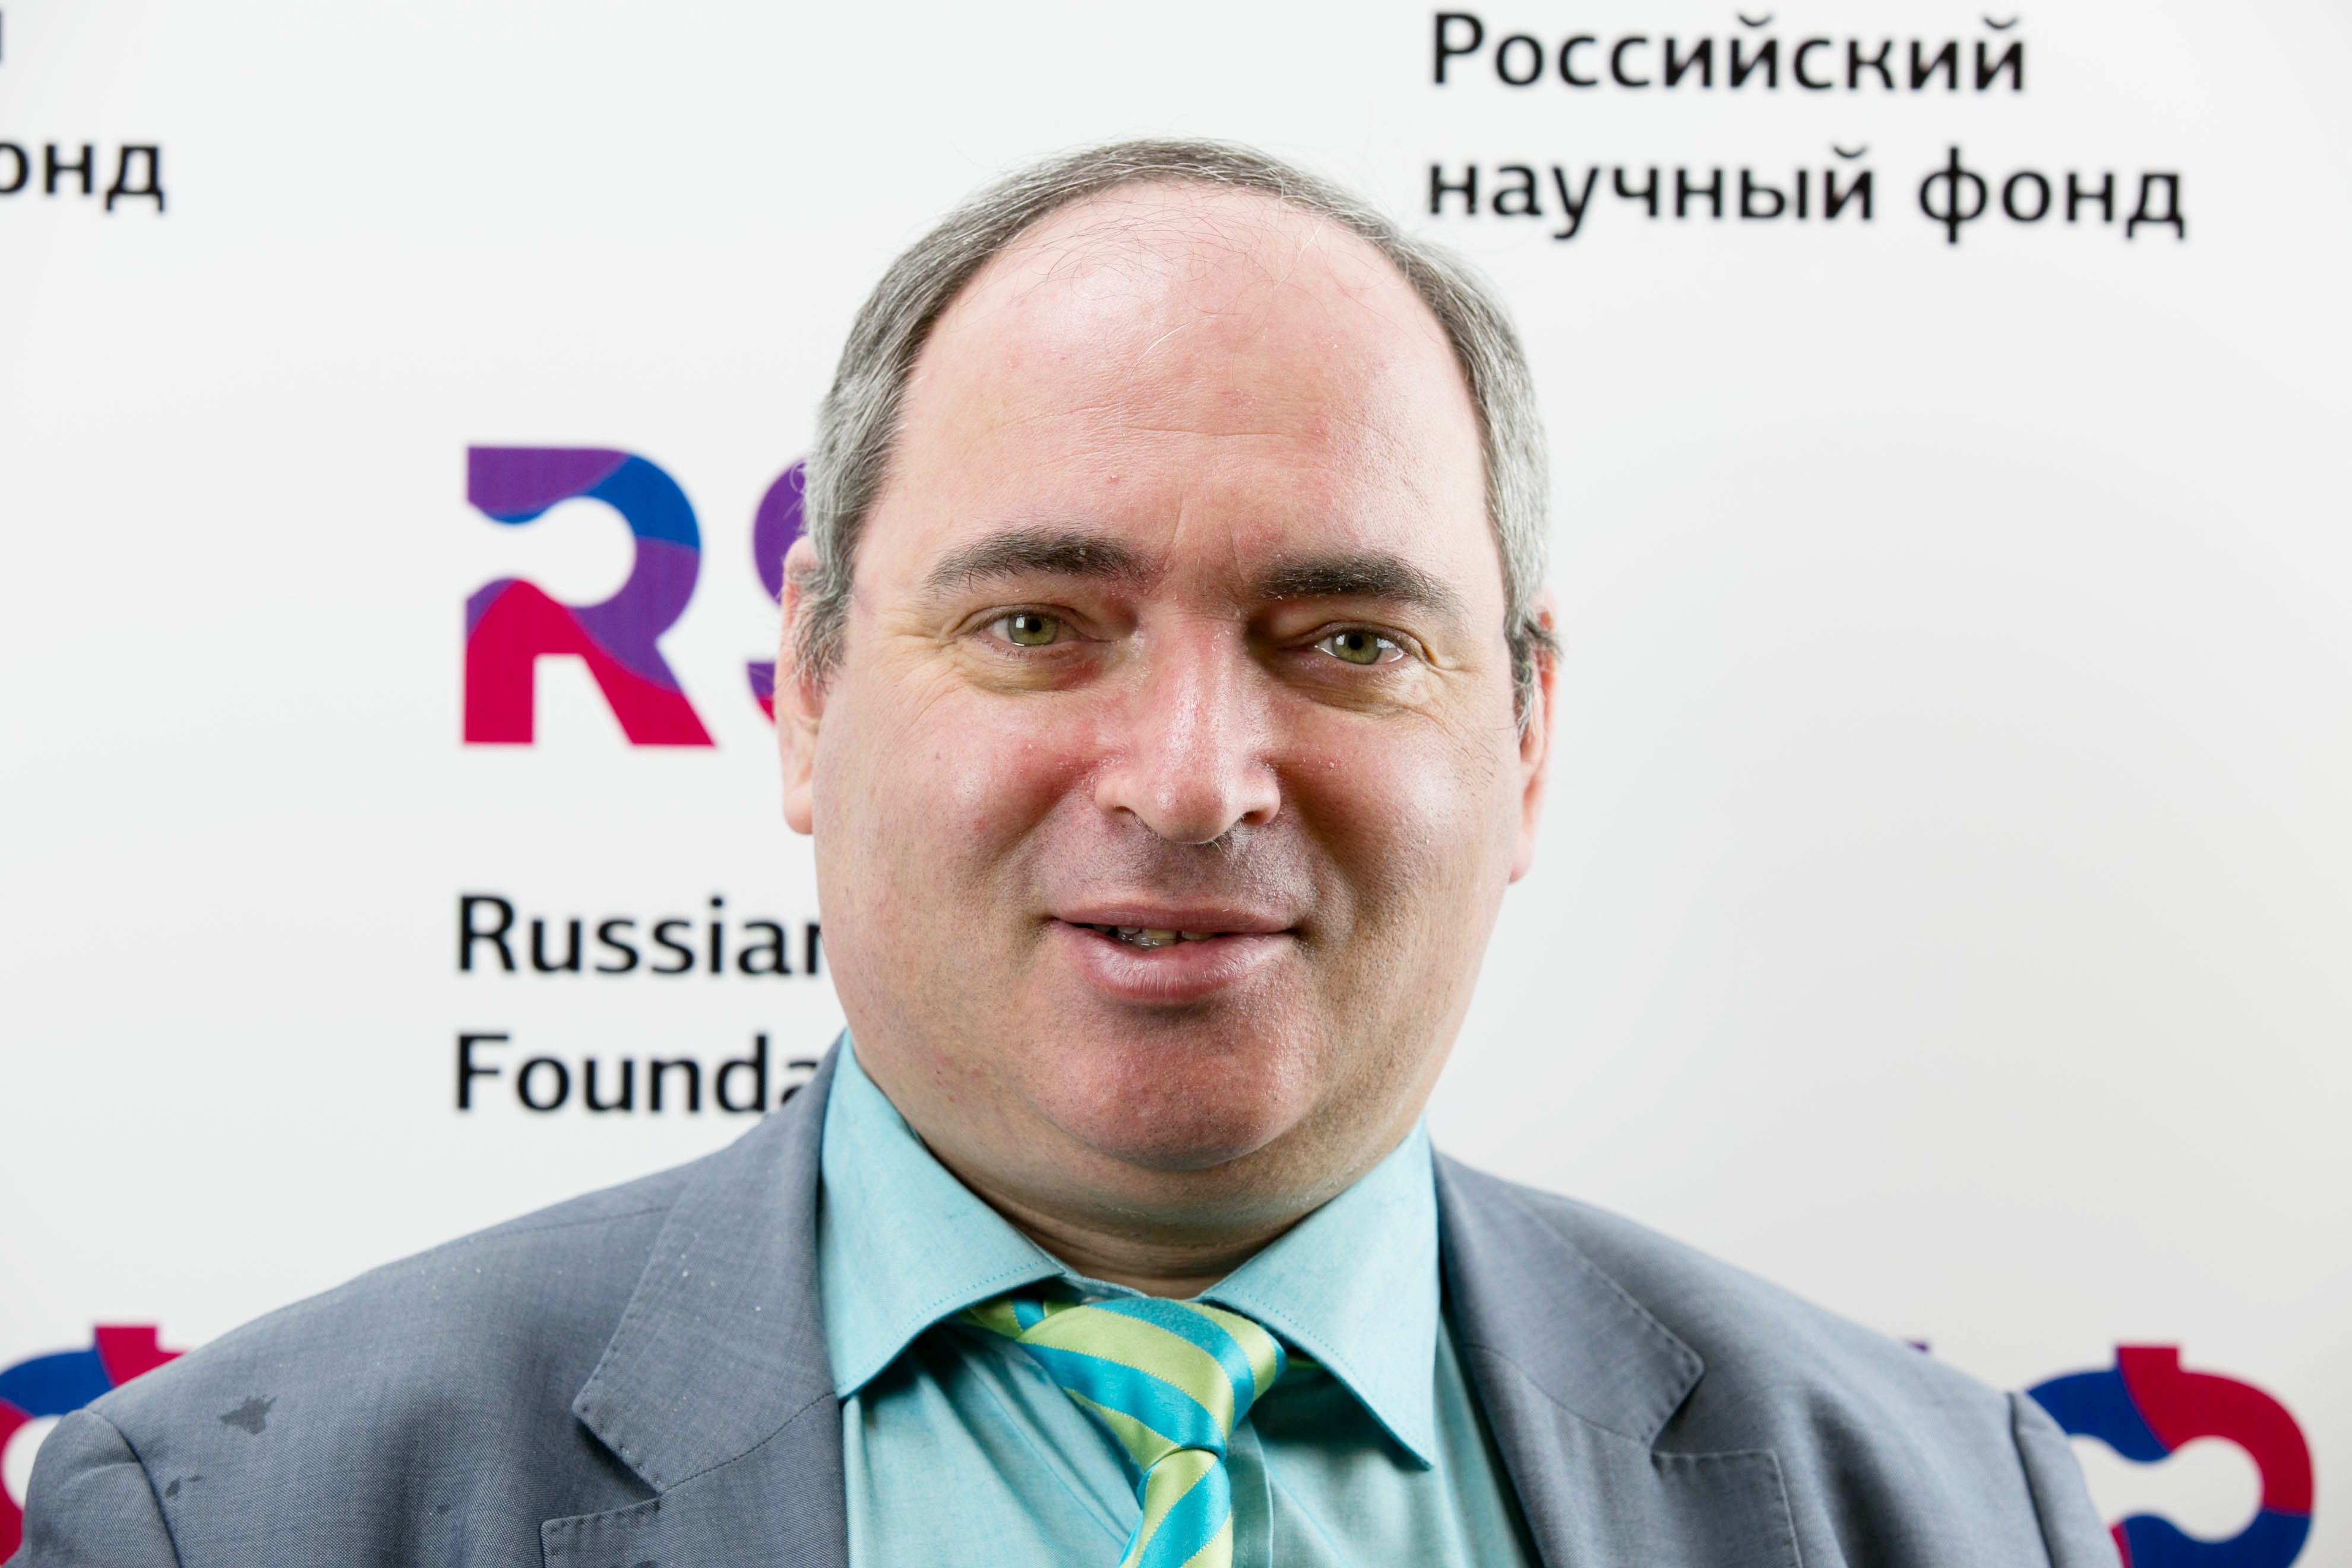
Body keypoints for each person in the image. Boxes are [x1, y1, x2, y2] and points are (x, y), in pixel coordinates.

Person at [15, 140, 2111, 1567]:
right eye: (1036, 625)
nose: (1193, 781)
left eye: (1348, 638)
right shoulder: (234, 1517)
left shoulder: (1949, 1514)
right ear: (810, 697)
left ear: (1530, 736)